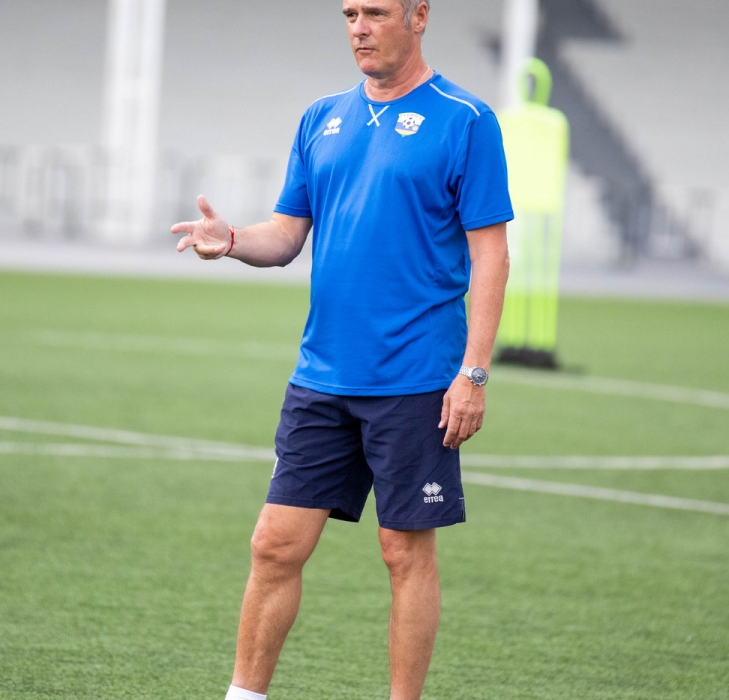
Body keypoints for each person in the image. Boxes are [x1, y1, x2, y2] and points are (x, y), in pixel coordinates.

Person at [171, 1, 512, 698]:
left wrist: (472, 373)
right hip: (323, 374)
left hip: (418, 376)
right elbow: (286, 236)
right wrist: (233, 241)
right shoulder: (320, 117)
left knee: (403, 553)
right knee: (274, 544)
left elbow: (492, 256)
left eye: (376, 12)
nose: (359, 25)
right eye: (350, 12)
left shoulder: (466, 120)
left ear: (419, 16)